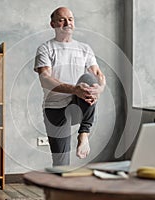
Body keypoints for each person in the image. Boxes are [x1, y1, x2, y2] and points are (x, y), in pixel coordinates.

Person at [34, 7, 106, 166]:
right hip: (55, 109)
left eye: (71, 19)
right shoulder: (45, 49)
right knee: (61, 163)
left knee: (89, 78)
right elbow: (45, 79)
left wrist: (99, 89)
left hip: (78, 105)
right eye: (62, 19)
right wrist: (75, 89)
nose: (67, 23)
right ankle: (60, 189)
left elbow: (99, 76)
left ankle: (84, 133)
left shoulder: (84, 49)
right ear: (52, 24)